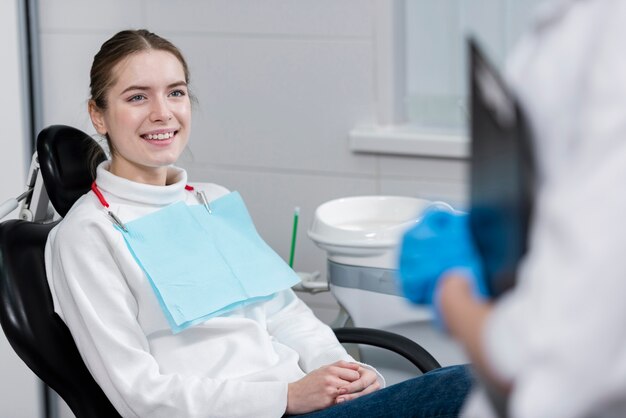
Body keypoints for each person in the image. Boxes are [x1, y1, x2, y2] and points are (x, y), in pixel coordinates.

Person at [44, 29, 471, 418]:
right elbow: (139, 396)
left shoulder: (211, 200)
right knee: (470, 388)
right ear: (98, 115)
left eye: (175, 93)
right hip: (267, 409)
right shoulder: (87, 235)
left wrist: (345, 371)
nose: (162, 113)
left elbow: (286, 315)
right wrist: (285, 396)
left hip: (305, 404)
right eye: (137, 97)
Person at [399, 0, 626, 417]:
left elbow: (560, 369)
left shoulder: (610, 36)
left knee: (450, 382)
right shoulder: (573, 27)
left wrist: (451, 294)